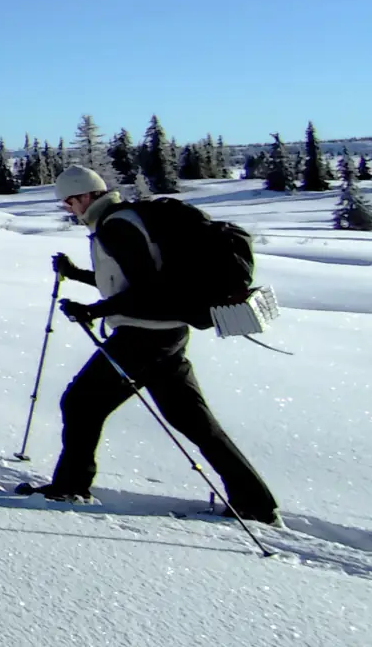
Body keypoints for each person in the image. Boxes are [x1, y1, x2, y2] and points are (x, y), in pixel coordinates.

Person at [41, 165, 278, 522]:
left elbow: (147, 290)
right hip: (167, 333)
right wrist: (77, 275)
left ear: (86, 195)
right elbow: (128, 281)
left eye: (70, 201)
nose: (68, 209)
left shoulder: (117, 226)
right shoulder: (127, 218)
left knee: (80, 403)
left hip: (143, 336)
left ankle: (70, 489)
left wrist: (93, 310)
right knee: (195, 423)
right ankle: (257, 504)